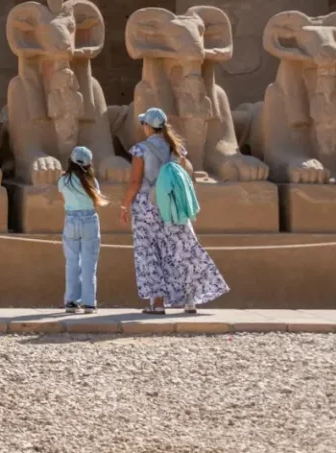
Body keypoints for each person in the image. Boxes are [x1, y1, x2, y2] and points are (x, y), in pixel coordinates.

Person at [119, 107, 229, 314]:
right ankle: (190, 300)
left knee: (149, 251)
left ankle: (158, 303)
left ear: (148, 127)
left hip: (147, 205)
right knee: (181, 250)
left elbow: (135, 182)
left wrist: (124, 205)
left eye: (143, 124)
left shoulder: (140, 150)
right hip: (172, 204)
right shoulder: (177, 149)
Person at [58, 145, 107, 313]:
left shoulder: (63, 180)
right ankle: (89, 303)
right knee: (89, 263)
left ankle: (71, 301)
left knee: (72, 262)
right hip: (89, 220)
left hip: (71, 219)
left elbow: (62, 195)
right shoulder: (92, 181)